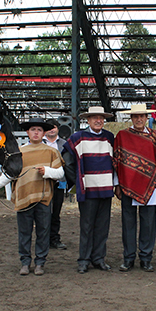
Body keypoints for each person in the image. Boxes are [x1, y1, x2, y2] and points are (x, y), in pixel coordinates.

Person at [0, 118, 64, 276]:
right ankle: (25, 262)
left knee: (43, 231)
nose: (36, 132)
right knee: (24, 232)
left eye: (39, 130)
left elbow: (61, 173)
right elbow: (9, 173)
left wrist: (47, 172)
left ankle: (40, 262)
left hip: (43, 197)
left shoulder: (51, 152)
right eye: (33, 129)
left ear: (44, 133)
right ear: (28, 132)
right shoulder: (19, 152)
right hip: (23, 196)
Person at [113, 104, 156, 273]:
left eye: (142, 116)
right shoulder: (122, 136)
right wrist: (117, 184)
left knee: (148, 223)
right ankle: (128, 258)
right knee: (128, 223)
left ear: (147, 118)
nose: (139, 119)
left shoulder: (154, 136)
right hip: (127, 185)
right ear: (131, 118)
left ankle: (146, 258)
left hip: (150, 187)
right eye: (135, 116)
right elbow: (117, 162)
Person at [62, 106, 116, 274]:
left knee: (102, 226)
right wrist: (77, 182)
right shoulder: (78, 138)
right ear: (88, 120)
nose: (98, 120)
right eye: (94, 118)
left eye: (101, 117)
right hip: (88, 189)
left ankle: (99, 258)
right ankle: (84, 259)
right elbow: (67, 162)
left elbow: (116, 160)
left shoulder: (109, 137)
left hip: (106, 188)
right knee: (86, 226)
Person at [43, 118, 68, 250]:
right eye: (48, 127)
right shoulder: (39, 144)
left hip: (59, 183)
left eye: (54, 127)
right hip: (42, 183)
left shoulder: (64, 144)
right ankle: (43, 239)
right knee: (43, 212)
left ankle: (54, 238)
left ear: (58, 128)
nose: (51, 129)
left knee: (56, 212)